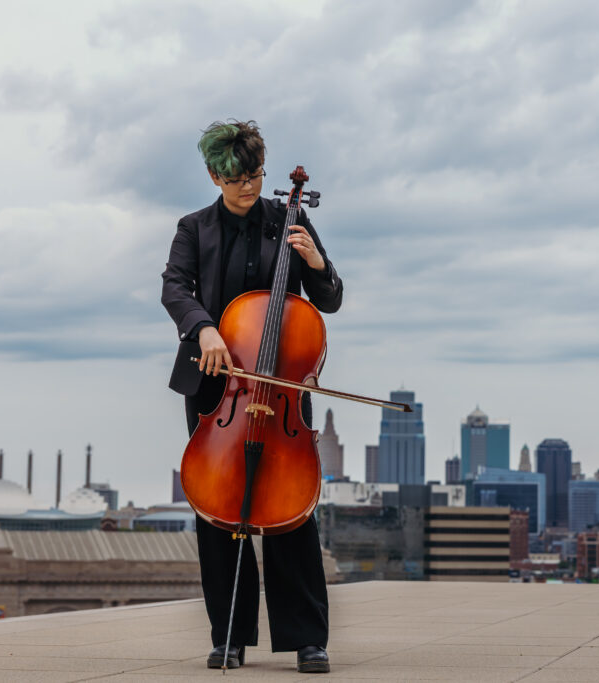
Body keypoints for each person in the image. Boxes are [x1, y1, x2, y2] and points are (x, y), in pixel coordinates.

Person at [160, 120, 342, 674]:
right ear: (216, 176)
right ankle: (229, 637)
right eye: (238, 178)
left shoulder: (290, 219)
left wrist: (315, 262)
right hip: (220, 389)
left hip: (280, 386)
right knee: (220, 513)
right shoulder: (194, 228)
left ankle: (307, 639)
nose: (250, 186)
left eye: (257, 175)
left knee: (291, 514)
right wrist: (204, 329)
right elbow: (174, 287)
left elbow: (328, 300)